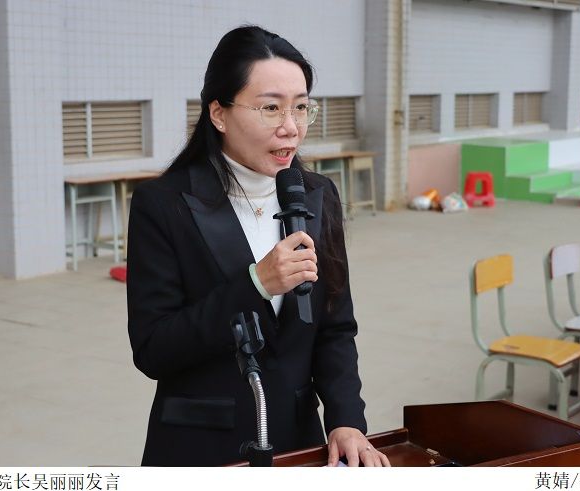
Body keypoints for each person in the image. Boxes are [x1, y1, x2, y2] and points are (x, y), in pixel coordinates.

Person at [127, 25, 389, 467]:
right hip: (202, 447)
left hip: (298, 442)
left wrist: (346, 419)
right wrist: (255, 285)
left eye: (301, 108)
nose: (291, 128)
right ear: (219, 113)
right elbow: (154, 348)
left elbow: (335, 326)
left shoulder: (317, 195)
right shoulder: (164, 204)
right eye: (271, 108)